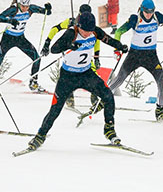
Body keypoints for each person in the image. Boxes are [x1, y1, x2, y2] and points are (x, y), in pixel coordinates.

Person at [26, 12, 127, 150]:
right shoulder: (70, 33)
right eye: (85, 31)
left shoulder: (94, 31)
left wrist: (120, 46)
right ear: (79, 26)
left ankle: (109, 130)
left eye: (90, 30)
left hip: (86, 74)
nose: (87, 33)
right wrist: (69, 45)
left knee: (108, 96)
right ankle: (40, 136)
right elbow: (54, 49)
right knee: (55, 109)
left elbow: (108, 40)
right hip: (68, 76)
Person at [105, 0, 163, 122]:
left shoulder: (157, 17)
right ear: (141, 9)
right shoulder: (135, 19)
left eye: (151, 12)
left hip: (151, 56)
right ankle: (102, 99)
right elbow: (118, 32)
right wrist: (117, 48)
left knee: (162, 82)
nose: (149, 15)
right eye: (146, 12)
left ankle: (160, 112)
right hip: (134, 55)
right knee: (119, 79)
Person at [0, 0, 51, 99]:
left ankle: (33, 83)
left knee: (36, 58)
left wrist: (48, 8)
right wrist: (10, 20)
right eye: (23, 6)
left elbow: (47, 13)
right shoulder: (13, 10)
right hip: (7, 39)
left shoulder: (31, 9)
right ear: (20, 4)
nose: (25, 9)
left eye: (26, 6)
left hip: (20, 39)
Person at [36, 4, 102, 109]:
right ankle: (69, 102)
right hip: (71, 55)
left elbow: (96, 40)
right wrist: (47, 44)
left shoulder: (89, 25)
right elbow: (55, 29)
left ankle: (95, 100)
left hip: (85, 57)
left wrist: (97, 57)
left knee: (94, 76)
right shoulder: (71, 21)